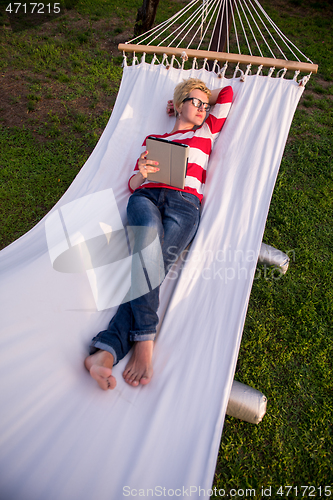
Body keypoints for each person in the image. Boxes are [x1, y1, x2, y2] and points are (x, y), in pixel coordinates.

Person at [84, 78, 233, 390]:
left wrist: (202, 93)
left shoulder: (204, 134)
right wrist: (143, 171)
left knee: (151, 268)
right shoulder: (155, 138)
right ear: (178, 106)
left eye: (205, 106)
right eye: (195, 103)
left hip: (185, 205)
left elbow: (228, 94)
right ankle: (145, 339)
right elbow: (134, 185)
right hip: (147, 198)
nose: (202, 109)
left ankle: (105, 352)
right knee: (149, 245)